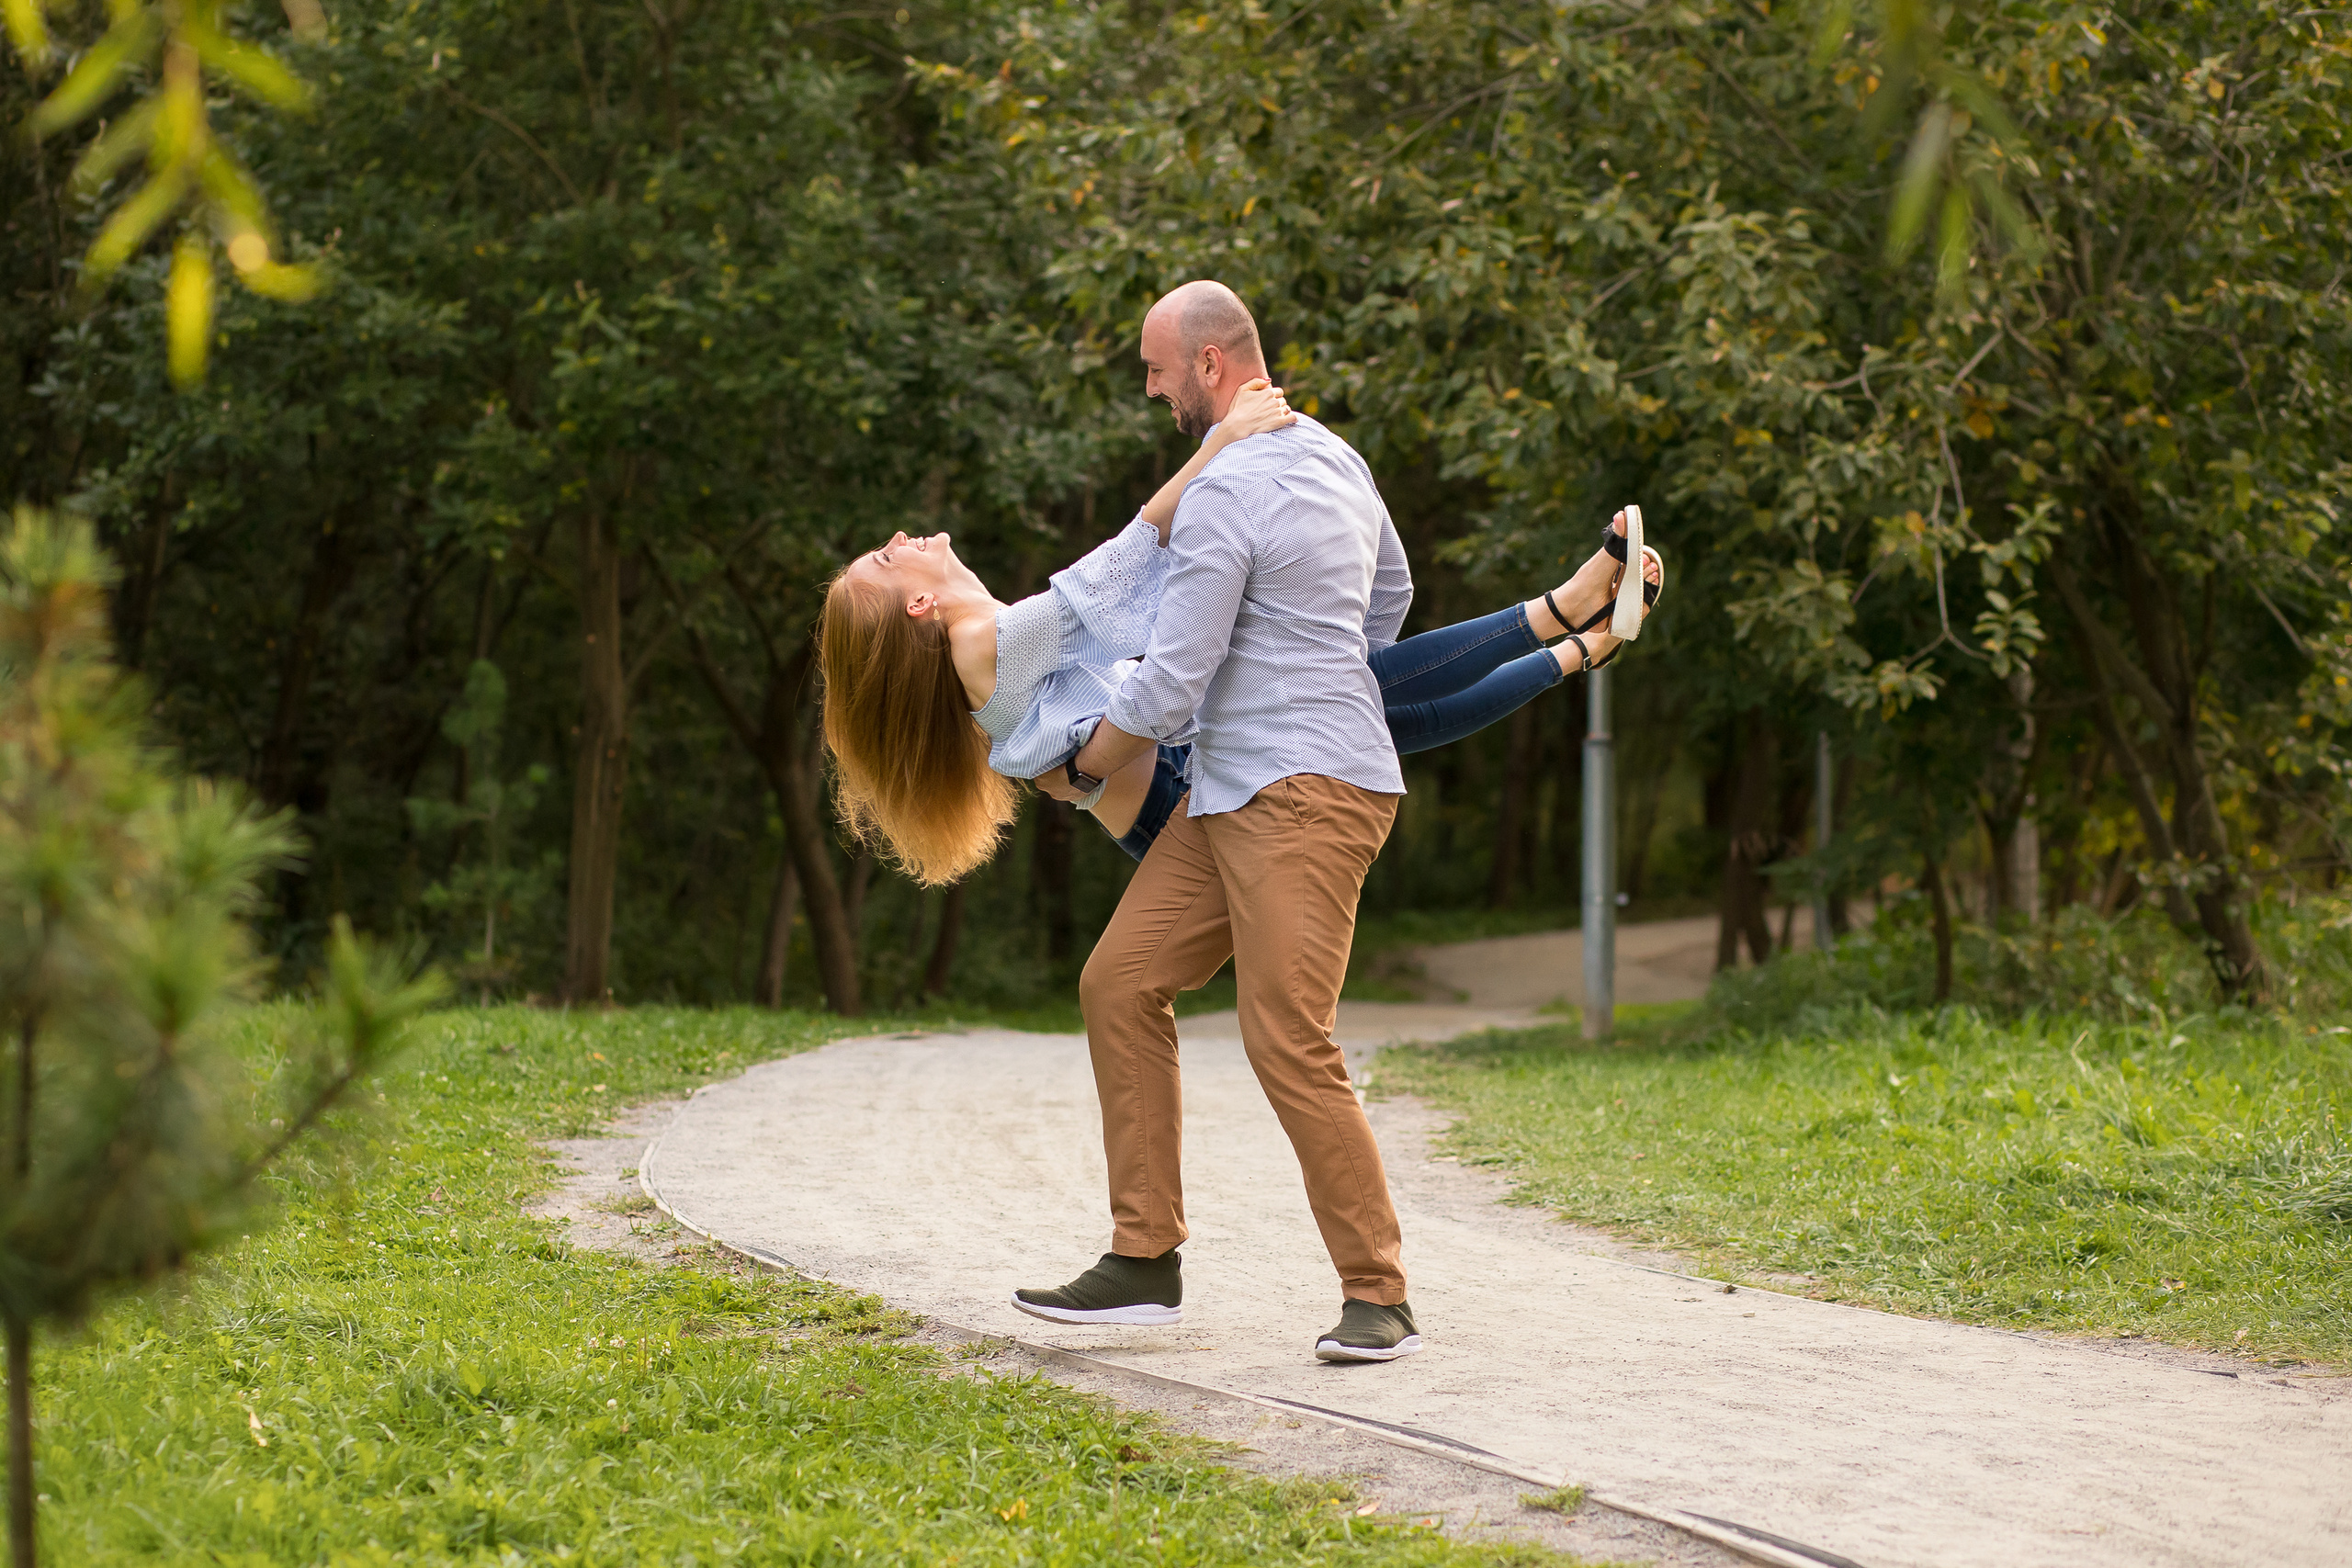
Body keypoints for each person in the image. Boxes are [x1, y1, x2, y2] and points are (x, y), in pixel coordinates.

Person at [818, 281, 1659, 1362]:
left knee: (1284, 1039)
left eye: (1156, 369)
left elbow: (1156, 643)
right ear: (919, 610)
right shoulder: (997, 638)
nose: (901, 538)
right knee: (1120, 982)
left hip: (1286, 793)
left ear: (1206, 365)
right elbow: (1164, 583)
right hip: (1213, 793)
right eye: (888, 561)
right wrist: (1236, 536)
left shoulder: (1041, 606)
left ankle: (1377, 1294)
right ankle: (1143, 1257)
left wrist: (1148, 725)